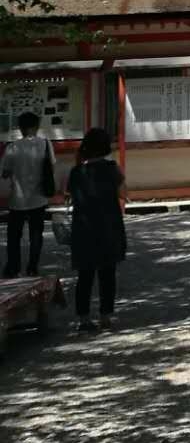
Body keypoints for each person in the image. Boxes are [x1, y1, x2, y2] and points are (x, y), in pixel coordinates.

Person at [69, 126, 126, 332]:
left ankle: (83, 319)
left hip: (83, 228)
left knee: (85, 274)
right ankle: (105, 316)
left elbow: (70, 195)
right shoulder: (112, 168)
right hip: (108, 226)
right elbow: (123, 194)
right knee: (107, 273)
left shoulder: (76, 172)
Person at [1, 111, 56, 278]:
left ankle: (13, 267)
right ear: (37, 126)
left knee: (14, 236)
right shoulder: (46, 144)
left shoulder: (13, 147)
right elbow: (51, 167)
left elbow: (5, 173)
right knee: (36, 235)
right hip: (39, 198)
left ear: (20, 127)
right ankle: (32, 267)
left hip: (17, 199)